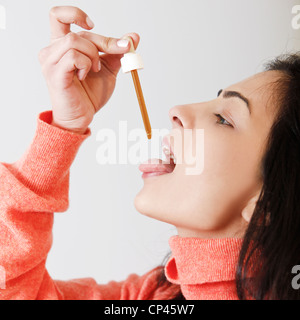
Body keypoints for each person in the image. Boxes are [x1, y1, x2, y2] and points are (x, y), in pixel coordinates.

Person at [0, 6, 300, 300]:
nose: (178, 110)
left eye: (224, 119)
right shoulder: (150, 296)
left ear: (267, 205)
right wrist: (65, 126)